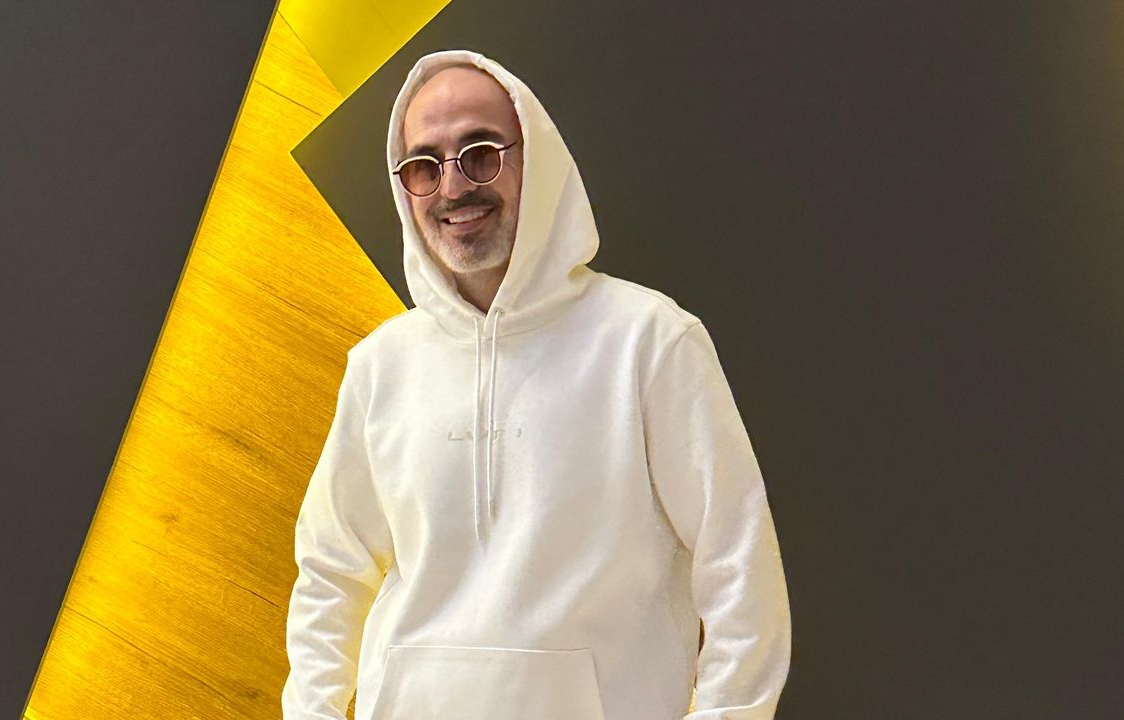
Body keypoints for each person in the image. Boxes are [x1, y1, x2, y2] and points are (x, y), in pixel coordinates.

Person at [282, 49, 792, 720]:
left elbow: (741, 570)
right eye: (424, 165)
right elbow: (331, 573)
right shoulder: (381, 366)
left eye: (481, 152)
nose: (453, 186)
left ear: (538, 158)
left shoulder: (649, 342)